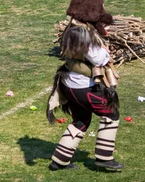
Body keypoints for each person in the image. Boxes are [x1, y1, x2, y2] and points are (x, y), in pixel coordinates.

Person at [46, 25, 124, 172]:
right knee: (111, 114)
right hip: (84, 88)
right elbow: (98, 59)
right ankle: (104, 158)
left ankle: (59, 161)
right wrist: (105, 51)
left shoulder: (71, 31)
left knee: (81, 121)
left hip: (68, 86)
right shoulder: (85, 35)